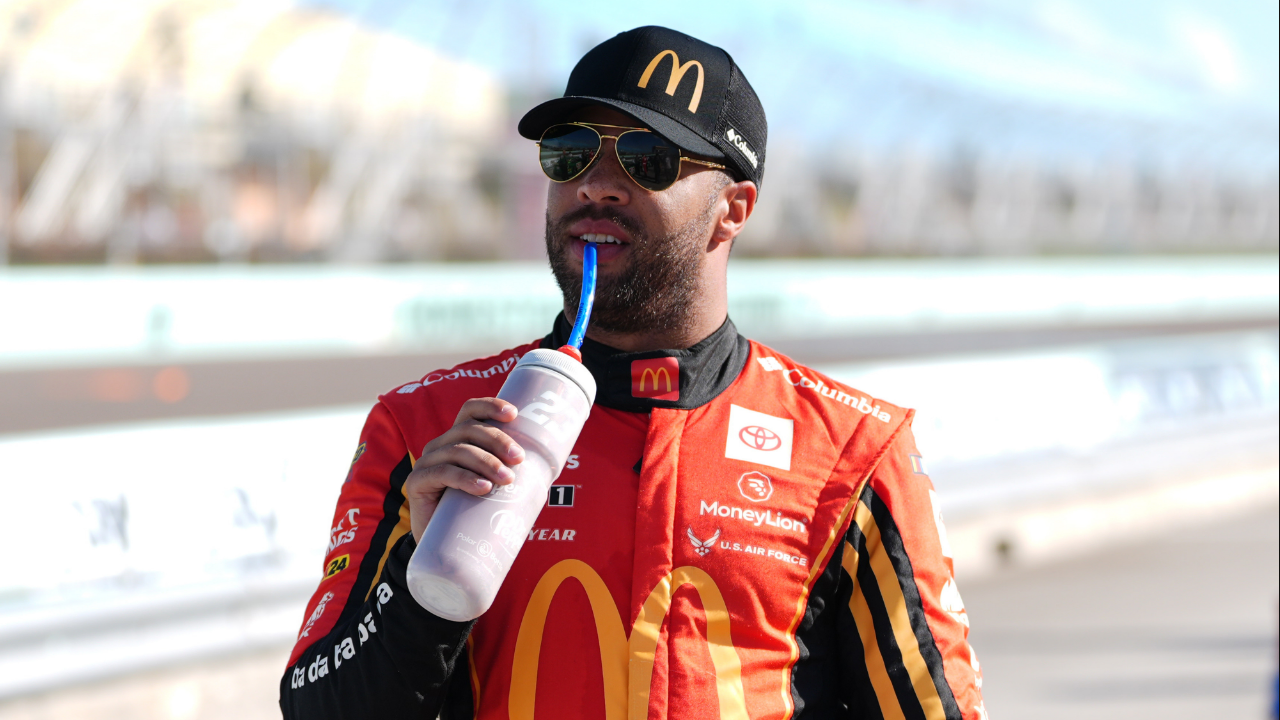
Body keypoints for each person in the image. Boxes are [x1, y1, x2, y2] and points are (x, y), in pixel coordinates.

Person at [280, 25, 986, 720]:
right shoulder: (426, 430)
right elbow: (316, 704)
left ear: (731, 211)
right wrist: (417, 585)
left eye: (647, 159)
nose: (598, 186)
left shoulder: (853, 452)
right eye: (570, 154)